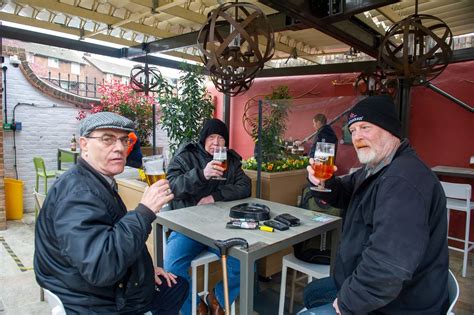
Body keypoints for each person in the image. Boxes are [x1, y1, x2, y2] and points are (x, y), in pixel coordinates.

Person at [302, 95, 448, 314]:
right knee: (311, 293)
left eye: (365, 127)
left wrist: (346, 304)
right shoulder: (376, 169)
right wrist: (324, 182)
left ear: (391, 130)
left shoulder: (403, 182)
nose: (357, 137)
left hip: (398, 304)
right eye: (353, 131)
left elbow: (388, 267)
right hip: (370, 284)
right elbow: (343, 194)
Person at [34, 112, 188, 314]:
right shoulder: (78, 193)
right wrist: (145, 211)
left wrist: (143, 271)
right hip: (96, 302)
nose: (119, 148)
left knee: (176, 284)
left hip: (92, 288)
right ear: (84, 144)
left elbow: (107, 240)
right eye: (107, 139)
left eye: (124, 140)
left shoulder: (94, 181)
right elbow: (100, 267)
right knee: (176, 289)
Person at [164, 118, 251, 315]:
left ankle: (217, 298)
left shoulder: (231, 160)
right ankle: (195, 307)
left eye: (221, 138)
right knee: (172, 266)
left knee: (245, 263)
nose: (216, 142)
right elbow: (172, 186)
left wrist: (216, 196)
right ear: (203, 139)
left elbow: (245, 186)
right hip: (188, 227)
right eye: (211, 137)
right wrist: (201, 175)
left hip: (220, 228)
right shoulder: (186, 156)